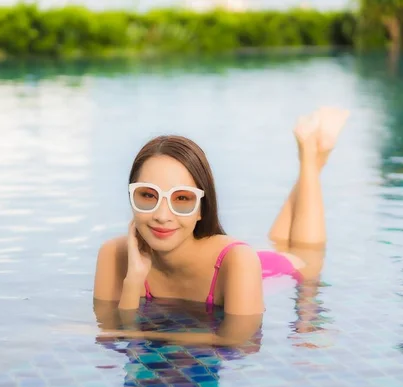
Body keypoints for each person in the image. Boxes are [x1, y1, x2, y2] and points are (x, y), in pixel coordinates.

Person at [93, 106, 350, 346]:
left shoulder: (238, 260)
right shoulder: (113, 254)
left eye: (182, 198)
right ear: (131, 196)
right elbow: (112, 332)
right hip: (244, 263)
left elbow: (240, 342)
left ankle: (310, 155)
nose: (162, 215)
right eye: (147, 195)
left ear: (202, 208)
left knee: (306, 255)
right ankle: (315, 157)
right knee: (278, 240)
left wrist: (151, 335)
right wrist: (133, 279)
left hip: (274, 270)